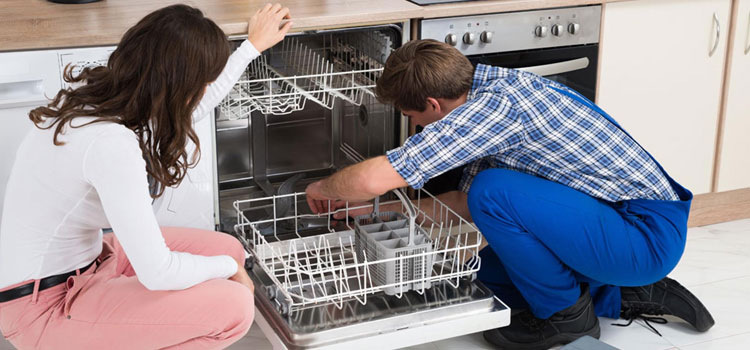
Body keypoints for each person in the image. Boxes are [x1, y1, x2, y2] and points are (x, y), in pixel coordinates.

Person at [305, 40, 715, 349]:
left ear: (433, 103)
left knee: (493, 191)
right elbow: (463, 207)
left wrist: (324, 188)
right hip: (617, 226)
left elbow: (380, 176)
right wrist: (377, 212)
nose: (416, 129)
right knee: (483, 270)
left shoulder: (493, 112)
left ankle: (566, 319)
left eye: (413, 118)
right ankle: (620, 292)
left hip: (642, 236)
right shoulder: (490, 90)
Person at [0, 4, 291, 349]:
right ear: (180, 86)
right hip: (41, 306)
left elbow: (196, 106)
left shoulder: (107, 102)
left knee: (230, 250)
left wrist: (250, 48)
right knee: (236, 307)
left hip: (92, 264)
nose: (205, 89)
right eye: (203, 80)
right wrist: (227, 268)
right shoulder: (111, 144)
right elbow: (158, 273)